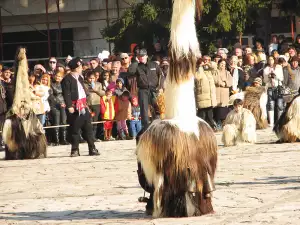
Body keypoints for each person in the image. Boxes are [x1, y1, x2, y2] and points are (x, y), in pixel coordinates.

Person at [61, 57, 100, 157]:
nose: (82, 68)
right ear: (76, 68)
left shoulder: (80, 77)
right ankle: (75, 149)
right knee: (75, 128)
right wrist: (69, 105)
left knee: (88, 128)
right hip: (74, 106)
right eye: (80, 66)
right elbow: (67, 94)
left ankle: (92, 148)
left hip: (83, 105)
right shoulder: (67, 79)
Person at [135, 48, 162, 130]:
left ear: (147, 56)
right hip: (143, 90)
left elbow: (161, 76)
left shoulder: (154, 65)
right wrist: (135, 62)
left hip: (154, 89)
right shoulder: (136, 67)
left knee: (157, 108)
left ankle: (157, 126)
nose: (141, 57)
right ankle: (145, 128)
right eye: (140, 56)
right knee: (144, 110)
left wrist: (160, 87)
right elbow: (130, 71)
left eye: (143, 56)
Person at [84, 70, 105, 142]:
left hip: (96, 104)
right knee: (89, 121)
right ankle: (88, 137)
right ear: (87, 78)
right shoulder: (84, 85)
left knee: (95, 121)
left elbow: (103, 93)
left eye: (93, 78)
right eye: (90, 78)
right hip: (88, 104)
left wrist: (96, 90)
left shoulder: (98, 84)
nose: (91, 80)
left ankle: (94, 137)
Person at [48, 71, 68, 146]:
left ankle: (64, 139)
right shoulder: (51, 85)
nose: (58, 77)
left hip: (64, 104)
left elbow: (66, 94)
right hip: (55, 105)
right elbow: (51, 96)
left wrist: (65, 103)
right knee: (56, 122)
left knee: (64, 121)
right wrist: (59, 103)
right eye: (56, 76)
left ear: (62, 77)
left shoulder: (64, 85)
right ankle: (57, 140)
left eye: (59, 76)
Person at [263, 56, 284, 126]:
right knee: (270, 104)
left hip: (278, 87)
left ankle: (279, 121)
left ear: (274, 60)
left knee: (279, 104)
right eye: (269, 59)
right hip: (270, 87)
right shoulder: (266, 69)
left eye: (272, 59)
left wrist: (275, 74)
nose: (270, 61)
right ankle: (271, 122)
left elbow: (281, 78)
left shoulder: (278, 67)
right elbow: (265, 80)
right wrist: (268, 76)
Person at [213, 59, 233, 130]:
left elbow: (230, 82)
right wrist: (221, 83)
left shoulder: (227, 73)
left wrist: (225, 82)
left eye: (224, 64)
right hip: (217, 92)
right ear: (218, 64)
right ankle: (217, 123)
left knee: (223, 109)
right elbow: (214, 79)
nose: (222, 65)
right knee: (217, 108)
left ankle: (222, 123)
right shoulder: (215, 72)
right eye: (221, 63)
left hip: (225, 93)